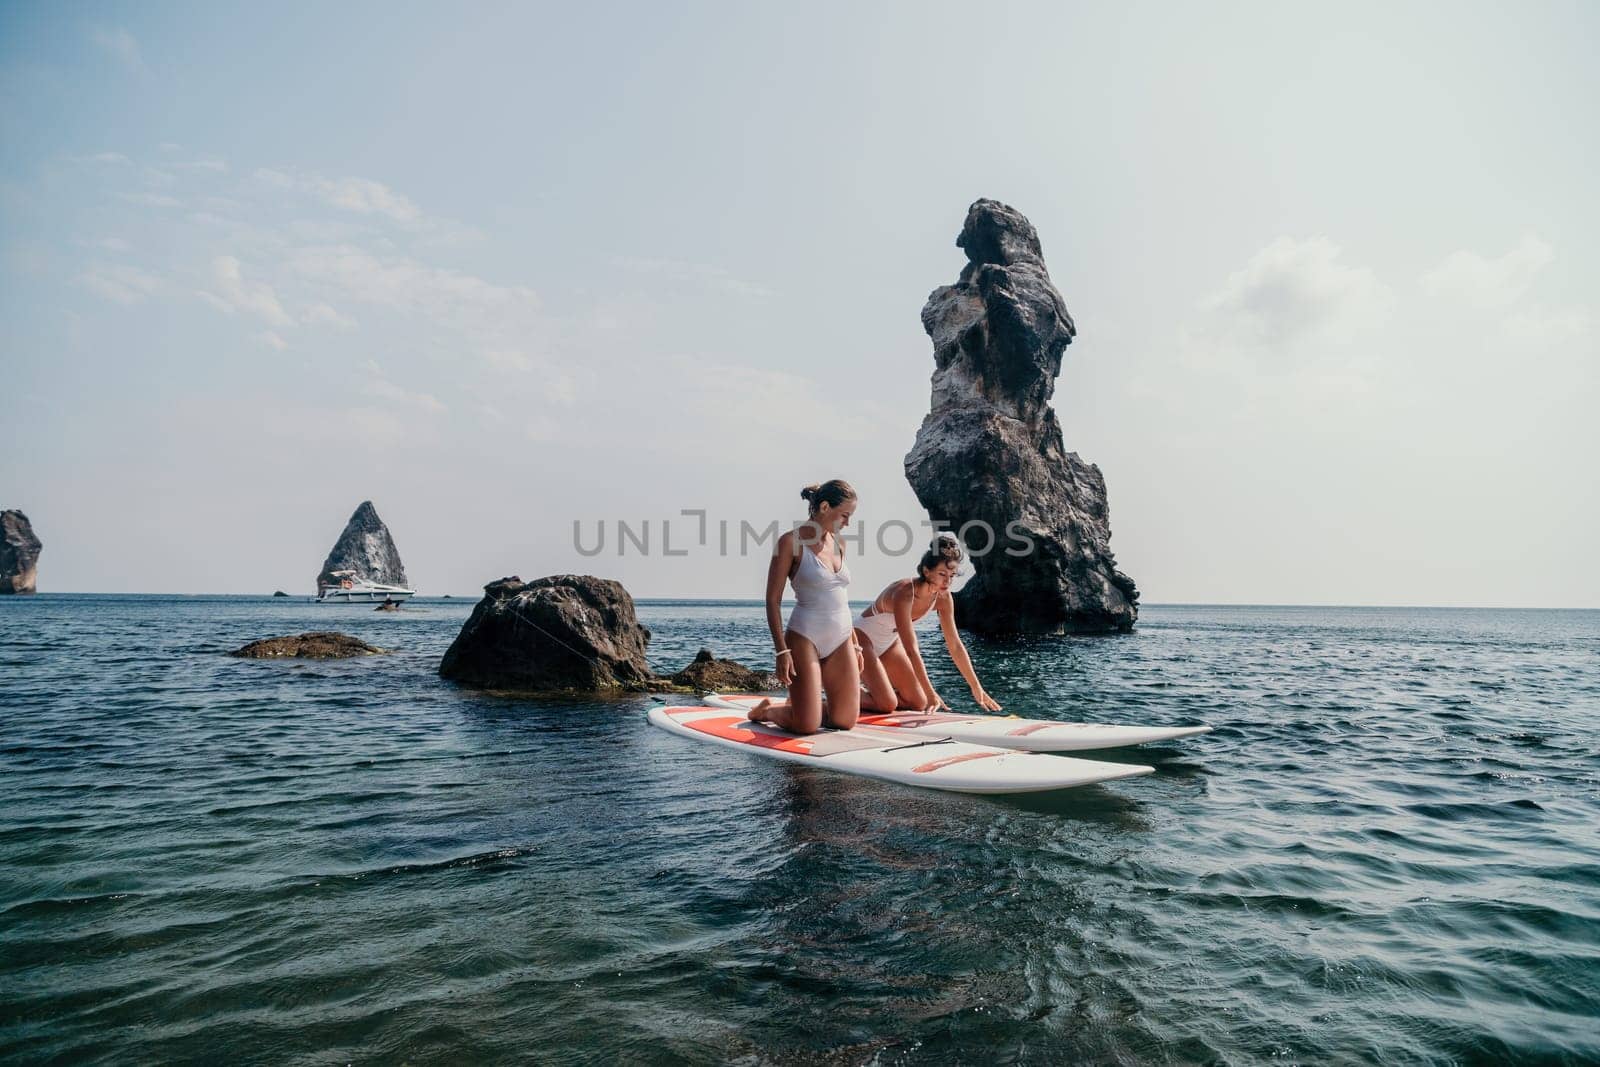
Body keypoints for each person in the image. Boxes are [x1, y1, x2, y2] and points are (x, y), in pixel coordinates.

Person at [746, 480, 861, 735]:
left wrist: (854, 643)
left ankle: (804, 704)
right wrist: (781, 651)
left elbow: (840, 596)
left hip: (841, 637)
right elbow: (772, 600)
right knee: (806, 726)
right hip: (804, 636)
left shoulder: (840, 544)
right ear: (823, 507)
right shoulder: (790, 542)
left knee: (845, 721)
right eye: (845, 515)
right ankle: (765, 712)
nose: (848, 523)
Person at [854, 534, 1002, 714]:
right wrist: (931, 693)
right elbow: (911, 650)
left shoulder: (944, 598)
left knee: (917, 702)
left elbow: (955, 645)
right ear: (926, 571)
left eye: (952, 575)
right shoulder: (905, 592)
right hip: (861, 641)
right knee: (887, 704)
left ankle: (872, 695)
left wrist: (976, 688)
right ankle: (842, 693)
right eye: (942, 574)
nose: (947, 581)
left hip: (888, 645)